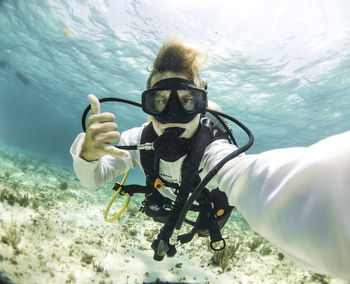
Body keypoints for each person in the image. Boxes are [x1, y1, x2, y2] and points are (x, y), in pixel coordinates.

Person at [70, 39, 350, 280]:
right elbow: (92, 179)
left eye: (187, 102)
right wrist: (89, 155)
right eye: (160, 102)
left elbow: (250, 176)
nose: (172, 117)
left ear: (202, 103)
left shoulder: (213, 149)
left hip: (204, 207)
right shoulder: (141, 139)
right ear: (148, 104)